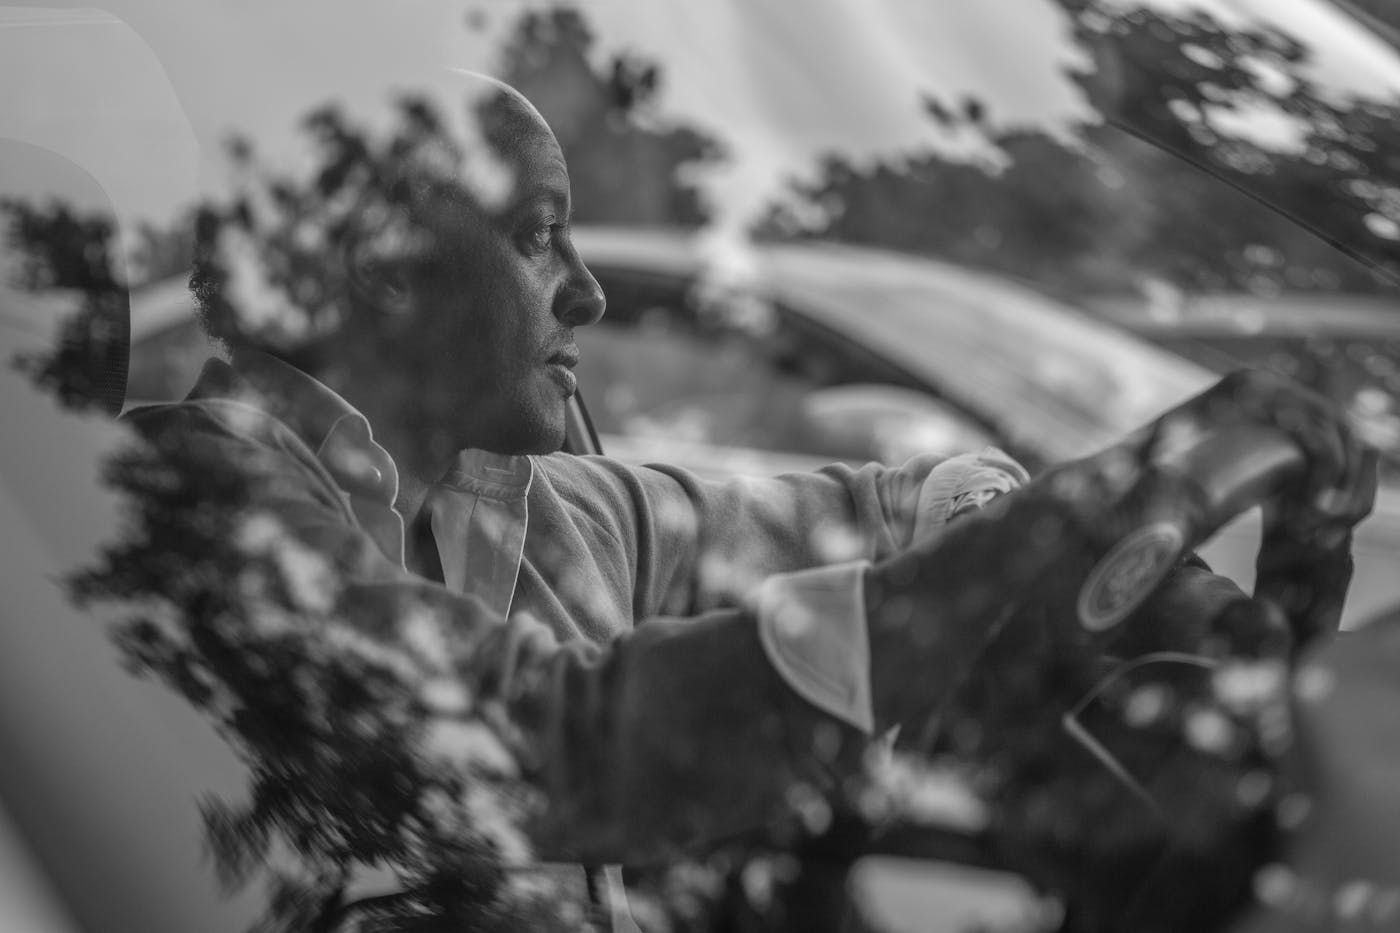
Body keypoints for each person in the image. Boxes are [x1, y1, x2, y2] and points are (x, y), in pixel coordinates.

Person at [128, 75, 1375, 930]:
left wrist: (1140, 579)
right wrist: (1017, 569)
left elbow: (884, 515)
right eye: (539, 234)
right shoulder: (185, 502)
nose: (588, 296)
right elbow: (530, 747)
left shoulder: (552, 512)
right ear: (377, 263)